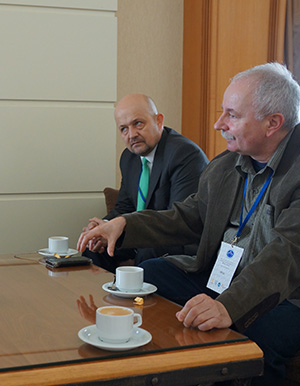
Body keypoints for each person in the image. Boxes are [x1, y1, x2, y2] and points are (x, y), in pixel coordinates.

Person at [78, 62, 300, 386]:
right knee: (151, 276)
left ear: (273, 123)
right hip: (226, 276)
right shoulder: (228, 163)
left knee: (255, 332)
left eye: (232, 115)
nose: (219, 124)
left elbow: (287, 255)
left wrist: (228, 306)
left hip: (296, 294)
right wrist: (126, 225)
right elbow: (191, 215)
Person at [81, 94, 208, 271]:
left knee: (147, 253)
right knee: (93, 247)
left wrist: (126, 227)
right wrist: (103, 226)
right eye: (124, 129)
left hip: (177, 242)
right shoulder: (129, 157)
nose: (132, 134)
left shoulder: (184, 155)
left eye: (138, 123)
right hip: (141, 234)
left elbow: (179, 222)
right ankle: (102, 290)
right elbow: (124, 207)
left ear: (158, 121)